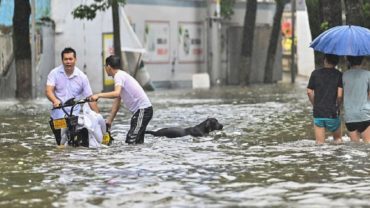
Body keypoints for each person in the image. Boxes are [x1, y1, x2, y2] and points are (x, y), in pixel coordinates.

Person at [90, 55, 153, 144]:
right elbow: (117, 100)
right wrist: (110, 120)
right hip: (141, 112)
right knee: (137, 142)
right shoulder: (121, 75)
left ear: (108, 67)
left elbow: (116, 93)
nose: (105, 69)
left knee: (131, 140)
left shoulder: (118, 76)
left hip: (143, 110)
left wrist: (98, 95)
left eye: (105, 66)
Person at [45, 47, 99, 145]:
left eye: (70, 59)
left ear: (75, 60)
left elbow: (90, 98)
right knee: (60, 143)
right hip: (58, 116)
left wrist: (97, 116)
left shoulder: (82, 77)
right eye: (66, 59)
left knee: (76, 142)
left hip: (74, 117)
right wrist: (55, 100)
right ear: (62, 60)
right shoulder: (54, 73)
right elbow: (49, 91)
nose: (68, 62)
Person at [307, 54, 343, 144]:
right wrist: (338, 106)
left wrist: (315, 104)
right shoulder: (339, 74)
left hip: (318, 112)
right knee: (338, 140)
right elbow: (339, 96)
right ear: (336, 62)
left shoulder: (315, 73)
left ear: (325, 60)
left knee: (320, 143)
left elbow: (309, 92)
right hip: (332, 112)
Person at [342, 56, 370, 143]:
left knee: (355, 146)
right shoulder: (368, 74)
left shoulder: (344, 75)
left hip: (350, 115)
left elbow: (341, 94)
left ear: (349, 62)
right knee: (367, 144)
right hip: (364, 114)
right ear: (362, 61)